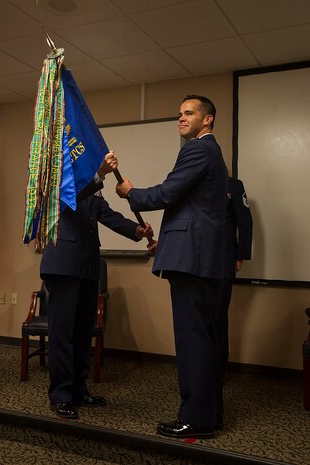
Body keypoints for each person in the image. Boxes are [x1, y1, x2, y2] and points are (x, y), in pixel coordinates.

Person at [116, 95, 228, 439]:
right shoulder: (212, 152)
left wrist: (130, 192)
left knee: (193, 339)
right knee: (204, 339)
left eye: (189, 113)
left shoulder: (198, 149)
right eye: (179, 113)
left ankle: (196, 419)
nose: (181, 118)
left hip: (191, 259)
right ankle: (209, 413)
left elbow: (166, 194)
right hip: (201, 259)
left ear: (207, 120)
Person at [40, 151, 153, 420]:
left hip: (88, 266)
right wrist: (100, 174)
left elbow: (106, 214)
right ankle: (60, 395)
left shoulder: (91, 189)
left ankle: (78, 390)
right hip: (64, 265)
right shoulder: (58, 179)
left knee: (81, 333)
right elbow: (70, 200)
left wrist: (134, 232)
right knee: (63, 334)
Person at [217, 177, 253, 378]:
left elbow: (245, 221)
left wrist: (240, 255)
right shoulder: (193, 182)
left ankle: (219, 370)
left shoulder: (233, 185)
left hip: (224, 259)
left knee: (219, 316)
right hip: (197, 261)